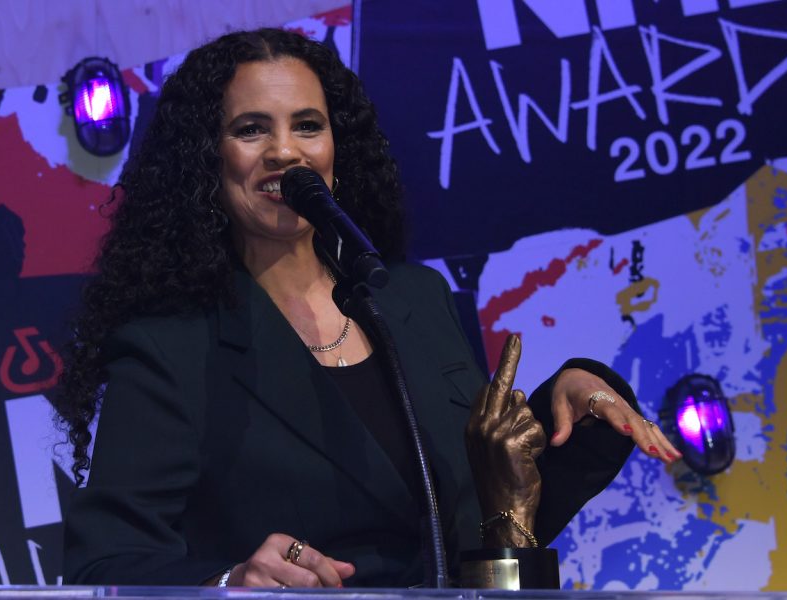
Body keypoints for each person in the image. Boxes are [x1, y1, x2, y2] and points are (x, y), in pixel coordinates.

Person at [56, 28, 680, 588]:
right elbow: (105, 566)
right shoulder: (171, 345)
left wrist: (564, 399)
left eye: (307, 125)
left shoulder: (413, 297)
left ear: (336, 146)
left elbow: (474, 506)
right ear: (207, 159)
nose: (285, 152)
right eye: (251, 129)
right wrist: (230, 581)